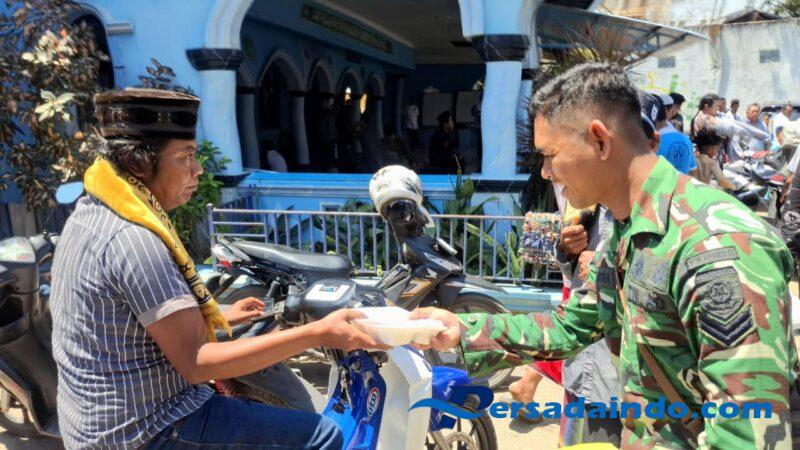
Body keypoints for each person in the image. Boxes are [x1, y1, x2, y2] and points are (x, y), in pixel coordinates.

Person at [410, 63, 799, 448]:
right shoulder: (628, 230)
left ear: (599, 140)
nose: (545, 172)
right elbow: (572, 325)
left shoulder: (715, 246)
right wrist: (461, 330)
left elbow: (747, 436)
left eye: (550, 154)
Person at [50, 88, 386, 449]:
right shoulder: (134, 240)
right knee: (322, 434)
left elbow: (131, 321)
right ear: (139, 163)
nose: (198, 170)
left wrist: (221, 316)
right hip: (145, 429)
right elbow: (196, 363)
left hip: (100, 421)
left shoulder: (93, 212)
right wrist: (318, 333)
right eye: (186, 157)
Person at [647, 93, 697, 175]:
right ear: (668, 109)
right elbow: (692, 170)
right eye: (677, 107)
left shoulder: (648, 140)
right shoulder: (685, 139)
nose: (678, 110)